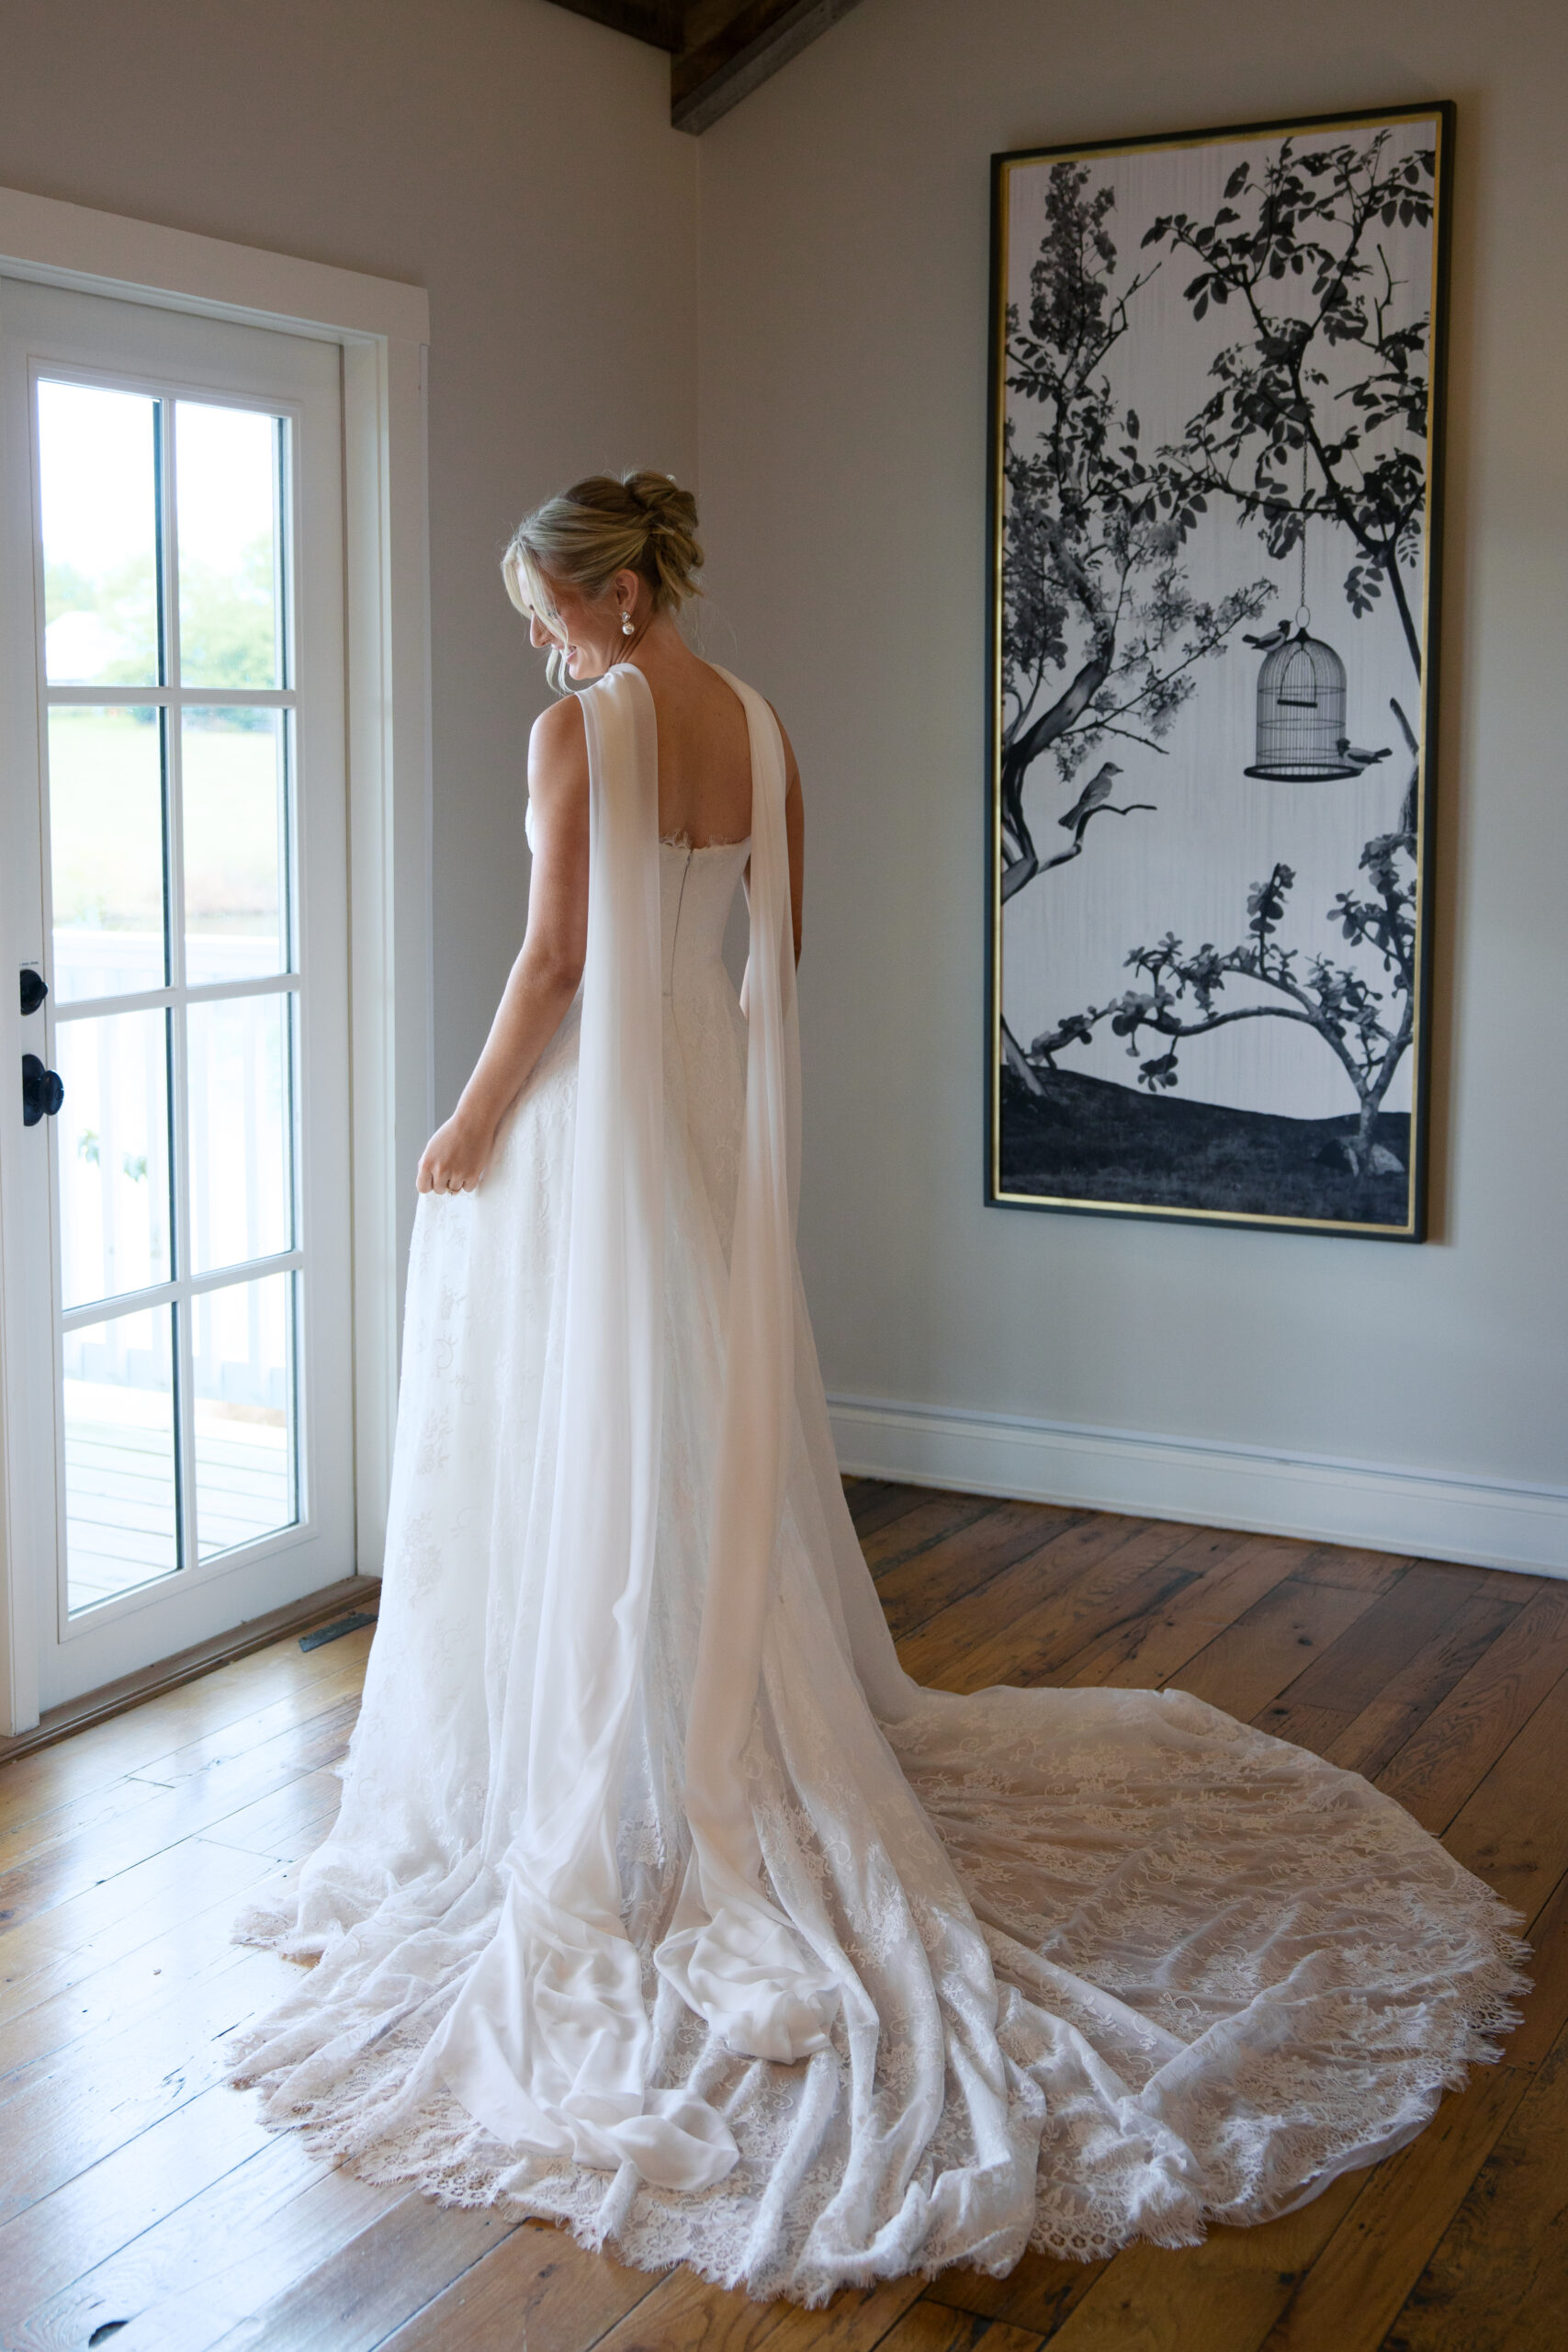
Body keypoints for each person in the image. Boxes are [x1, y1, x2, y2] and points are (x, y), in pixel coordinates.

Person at [233, 472, 1522, 2305]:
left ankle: (621, 1772)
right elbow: (778, 963)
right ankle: (689, 1729)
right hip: (683, 1116)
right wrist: (707, 1107)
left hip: (587, 1114)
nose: (531, 636)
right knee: (687, 1427)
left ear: (606, 593)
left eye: (539, 605)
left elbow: (547, 960)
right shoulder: (753, 723)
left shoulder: (573, 731)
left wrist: (465, 1122)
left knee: (586, 1432)